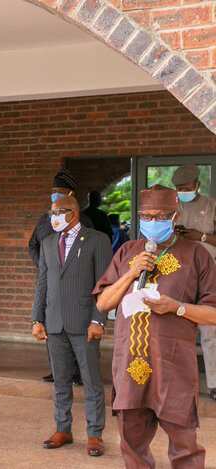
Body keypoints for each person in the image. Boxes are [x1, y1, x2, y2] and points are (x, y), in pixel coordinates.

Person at [94, 185, 216, 468]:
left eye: (160, 216)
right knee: (132, 446)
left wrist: (178, 307)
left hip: (173, 368)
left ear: (175, 216)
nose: (152, 222)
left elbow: (213, 313)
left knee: (186, 449)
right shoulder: (127, 252)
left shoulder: (197, 255)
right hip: (131, 367)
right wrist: (131, 273)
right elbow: (103, 303)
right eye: (146, 216)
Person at [31, 195, 111, 457]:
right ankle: (63, 428)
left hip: (85, 324)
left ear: (72, 213)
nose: (52, 217)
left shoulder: (97, 240)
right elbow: (42, 283)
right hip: (54, 323)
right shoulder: (47, 242)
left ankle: (94, 434)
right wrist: (37, 319)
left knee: (91, 381)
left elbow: (104, 286)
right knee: (61, 381)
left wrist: (98, 319)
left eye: (57, 212)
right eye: (51, 212)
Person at [29, 168, 92, 384]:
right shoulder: (44, 219)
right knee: (52, 327)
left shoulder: (86, 223)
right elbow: (33, 245)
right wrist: (44, 266)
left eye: (60, 191)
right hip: (51, 283)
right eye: (53, 191)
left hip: (76, 285)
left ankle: (77, 373)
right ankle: (57, 370)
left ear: (71, 194)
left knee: (75, 329)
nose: (55, 195)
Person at [172, 165, 216, 401]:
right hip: (179, 274)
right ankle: (179, 382)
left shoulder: (211, 205)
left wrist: (198, 236)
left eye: (187, 188)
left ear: (197, 185)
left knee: (210, 330)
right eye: (179, 189)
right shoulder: (173, 206)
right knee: (178, 329)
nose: (182, 192)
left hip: (209, 274)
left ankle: (214, 384)